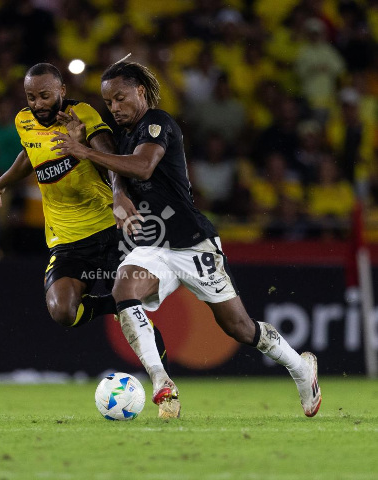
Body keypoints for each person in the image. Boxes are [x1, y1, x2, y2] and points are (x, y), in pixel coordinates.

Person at [50, 60, 322, 418]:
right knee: (122, 289)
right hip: (151, 246)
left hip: (193, 243)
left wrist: (84, 150)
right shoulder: (124, 136)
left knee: (239, 328)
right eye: (108, 102)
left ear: (140, 92)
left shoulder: (158, 123)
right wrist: (113, 186)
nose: (114, 107)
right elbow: (116, 169)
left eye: (120, 98)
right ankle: (163, 385)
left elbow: (142, 166)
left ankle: (301, 369)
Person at [0, 63, 176, 417]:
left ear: (61, 90)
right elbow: (30, 153)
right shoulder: (23, 121)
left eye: (44, 95)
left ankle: (161, 380)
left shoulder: (81, 114)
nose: (38, 103)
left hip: (106, 228)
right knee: (62, 312)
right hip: (65, 239)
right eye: (31, 96)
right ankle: (118, 307)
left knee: (141, 292)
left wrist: (118, 195)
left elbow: (111, 155)